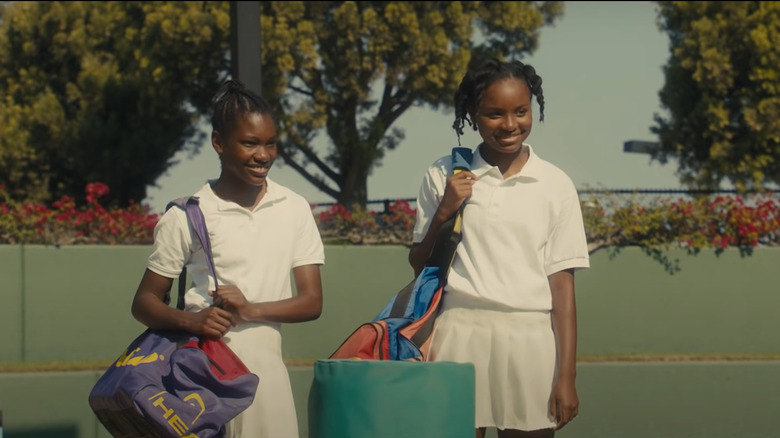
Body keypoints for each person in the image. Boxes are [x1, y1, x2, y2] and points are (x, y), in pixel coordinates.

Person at [131, 79, 325, 438]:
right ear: (218, 143)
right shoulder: (187, 214)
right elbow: (144, 302)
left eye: (270, 143)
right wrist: (194, 322)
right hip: (203, 381)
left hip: (268, 379)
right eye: (250, 143)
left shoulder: (294, 208)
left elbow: (312, 302)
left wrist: (250, 309)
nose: (263, 155)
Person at [408, 57, 590, 438]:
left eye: (521, 111)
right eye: (494, 113)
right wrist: (445, 209)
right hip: (457, 334)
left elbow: (563, 289)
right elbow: (419, 263)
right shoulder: (443, 173)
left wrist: (566, 376)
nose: (510, 125)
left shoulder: (555, 184)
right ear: (473, 115)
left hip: (530, 340)